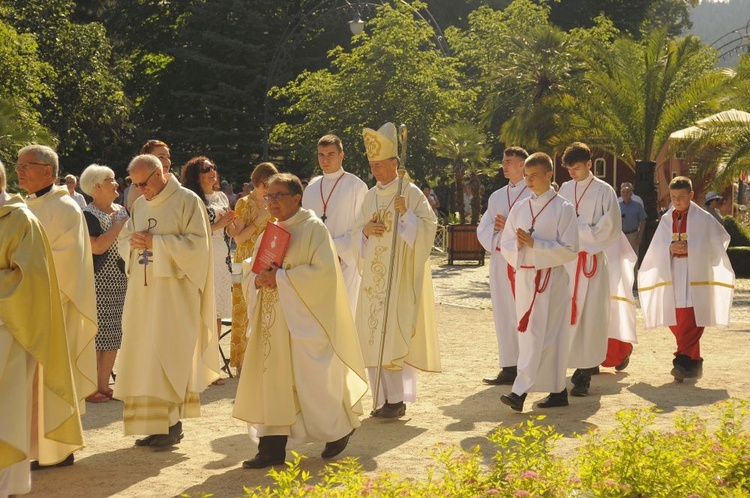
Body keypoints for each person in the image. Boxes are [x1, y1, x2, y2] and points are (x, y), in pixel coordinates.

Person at [233, 173, 367, 469]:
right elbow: (252, 270)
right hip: (273, 322)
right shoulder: (271, 230)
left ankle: (340, 428)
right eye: (269, 196)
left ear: (297, 198)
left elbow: (324, 275)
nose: (272, 202)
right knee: (272, 380)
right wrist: (256, 280)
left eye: (279, 195)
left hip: (302, 323)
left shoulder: (313, 229)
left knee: (313, 382)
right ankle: (271, 448)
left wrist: (280, 277)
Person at [116, 154, 221, 448]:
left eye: (144, 183)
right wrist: (133, 243)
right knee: (145, 356)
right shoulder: (138, 204)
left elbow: (198, 248)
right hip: (143, 294)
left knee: (168, 354)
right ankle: (156, 424)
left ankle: (173, 425)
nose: (140, 189)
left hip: (175, 296)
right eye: (135, 184)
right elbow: (125, 240)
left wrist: (157, 244)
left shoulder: (187, 201)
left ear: (160, 173)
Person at [0, 160, 84, 493]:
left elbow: (32, 279)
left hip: (12, 329)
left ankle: (7, 485)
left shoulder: (20, 220)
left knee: (6, 413)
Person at [353, 122, 441, 419]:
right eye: (373, 166)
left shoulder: (411, 192)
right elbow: (357, 234)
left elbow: (428, 231)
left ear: (395, 164)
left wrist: (406, 215)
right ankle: (380, 400)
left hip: (398, 277)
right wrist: (365, 231)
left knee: (392, 335)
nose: (376, 171)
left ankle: (396, 400)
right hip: (372, 282)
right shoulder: (369, 196)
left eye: (381, 165)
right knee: (371, 335)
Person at [17, 145, 98, 422]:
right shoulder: (24, 206)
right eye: (18, 165)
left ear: (48, 171)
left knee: (53, 378)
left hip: (53, 308)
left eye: (25, 165)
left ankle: (60, 449)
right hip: (24, 306)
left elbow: (66, 263)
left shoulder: (65, 208)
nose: (19, 170)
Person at [499, 152, 579, 412]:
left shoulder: (563, 208)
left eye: (534, 176)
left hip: (551, 279)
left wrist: (536, 246)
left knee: (550, 335)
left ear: (549, 175)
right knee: (529, 335)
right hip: (526, 278)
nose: (529, 181)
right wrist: (521, 249)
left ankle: (522, 391)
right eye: (526, 176)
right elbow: (506, 242)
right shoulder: (521, 207)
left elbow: (570, 249)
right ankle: (555, 390)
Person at [638, 176, 734, 382]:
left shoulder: (704, 219)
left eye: (682, 196)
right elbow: (655, 249)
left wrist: (693, 249)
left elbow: (720, 242)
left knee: (692, 317)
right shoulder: (666, 220)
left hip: (695, 274)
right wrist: (669, 248)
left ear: (691, 195)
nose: (677, 201)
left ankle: (681, 361)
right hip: (674, 273)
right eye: (673, 197)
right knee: (676, 319)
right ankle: (694, 363)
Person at [558, 142, 622, 397]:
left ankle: (584, 374)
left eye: (575, 168)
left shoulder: (604, 191)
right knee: (564, 316)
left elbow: (610, 229)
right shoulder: (564, 188)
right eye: (568, 170)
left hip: (590, 263)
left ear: (589, 165)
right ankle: (562, 370)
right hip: (567, 262)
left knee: (590, 318)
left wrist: (576, 231)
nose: (571, 173)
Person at [477, 146, 532, 386]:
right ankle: (509, 366)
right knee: (503, 311)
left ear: (522, 164)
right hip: (500, 261)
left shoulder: (534, 193)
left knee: (525, 312)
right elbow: (484, 227)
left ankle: (530, 366)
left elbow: (538, 225)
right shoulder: (496, 196)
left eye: (509, 161)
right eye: (503, 161)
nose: (504, 165)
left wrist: (508, 226)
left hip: (525, 260)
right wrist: (499, 234)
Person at [302, 134, 368, 315]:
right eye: (321, 155)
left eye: (331, 154)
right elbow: (305, 226)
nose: (325, 159)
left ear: (342, 155)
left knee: (344, 315)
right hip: (316, 261)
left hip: (346, 261)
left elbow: (361, 227)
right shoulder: (311, 188)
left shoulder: (357, 186)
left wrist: (336, 251)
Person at [80, 164, 129, 403]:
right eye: (110, 180)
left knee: (113, 334)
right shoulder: (87, 214)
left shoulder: (121, 209)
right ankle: (89, 387)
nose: (116, 183)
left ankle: (103, 385)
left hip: (120, 280)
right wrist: (118, 225)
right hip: (96, 281)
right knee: (94, 334)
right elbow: (97, 246)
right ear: (97, 186)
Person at [227, 162, 278, 376]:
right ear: (257, 182)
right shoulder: (243, 203)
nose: (268, 189)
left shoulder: (275, 204)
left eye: (271, 184)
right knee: (241, 307)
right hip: (241, 261)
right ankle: (241, 361)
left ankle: (264, 358)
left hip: (266, 260)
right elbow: (238, 239)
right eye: (264, 184)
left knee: (266, 307)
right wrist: (260, 220)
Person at [181, 157, 235, 327]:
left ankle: (214, 353)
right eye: (206, 169)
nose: (212, 172)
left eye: (213, 167)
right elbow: (188, 232)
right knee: (201, 311)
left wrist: (233, 223)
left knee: (217, 312)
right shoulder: (191, 198)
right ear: (196, 176)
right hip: (203, 257)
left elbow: (231, 231)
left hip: (222, 259)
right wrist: (218, 225)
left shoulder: (221, 197)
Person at [126, 139, 172, 210]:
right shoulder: (138, 186)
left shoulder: (174, 185)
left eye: (168, 157)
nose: (167, 161)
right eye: (161, 157)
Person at [619, 182, 647, 256]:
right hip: (620, 236)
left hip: (633, 235)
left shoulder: (637, 206)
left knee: (633, 257)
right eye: (623, 192)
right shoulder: (617, 206)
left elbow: (643, 221)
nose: (625, 194)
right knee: (622, 258)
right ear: (621, 194)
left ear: (631, 193)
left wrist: (640, 236)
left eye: (628, 192)